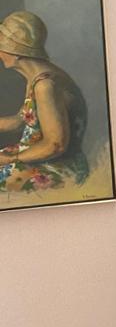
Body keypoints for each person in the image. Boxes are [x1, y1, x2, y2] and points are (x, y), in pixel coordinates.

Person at [0, 10, 89, 193]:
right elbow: (21, 121)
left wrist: (11, 159)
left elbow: (55, 145)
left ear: (16, 52)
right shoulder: (36, 76)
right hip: (37, 156)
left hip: (57, 166)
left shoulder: (45, 86)